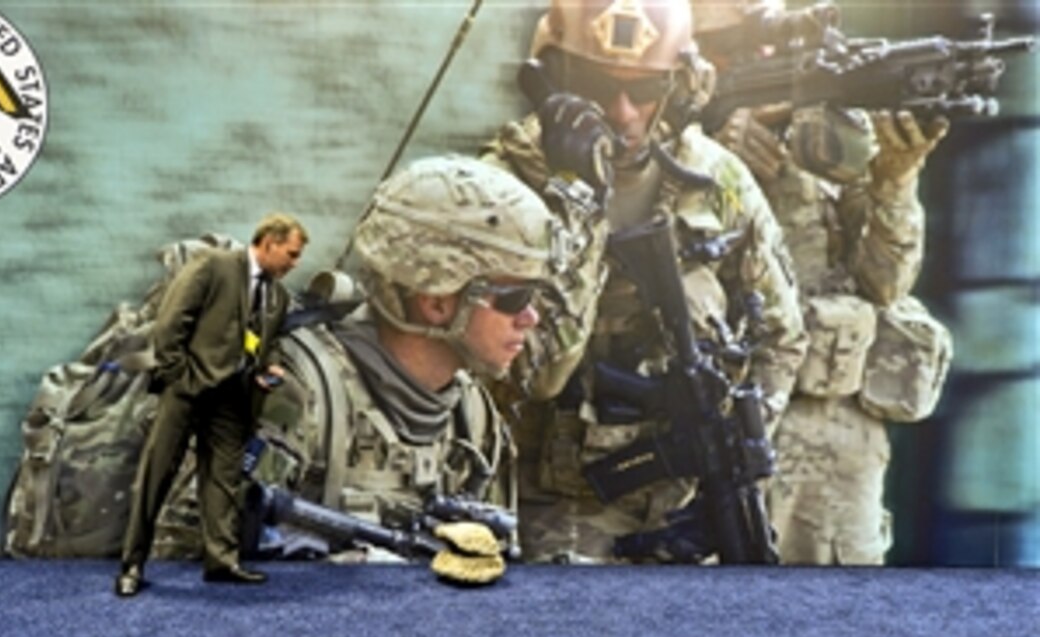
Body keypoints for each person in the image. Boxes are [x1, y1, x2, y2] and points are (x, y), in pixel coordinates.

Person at [482, 0, 808, 562]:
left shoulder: (716, 178)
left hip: (686, 504)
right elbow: (537, 374)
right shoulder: (504, 187)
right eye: (594, 85)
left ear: (682, 85)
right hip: (553, 509)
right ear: (549, 76)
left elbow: (782, 334)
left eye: (648, 88)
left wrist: (732, 453)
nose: (623, 112)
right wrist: (574, 192)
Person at [692, 0, 953, 564]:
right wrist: (709, 156)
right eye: (735, 43)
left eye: (773, 39)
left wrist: (896, 177)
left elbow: (885, 284)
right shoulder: (669, 136)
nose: (764, 54)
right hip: (729, 425)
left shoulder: (829, 126)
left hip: (838, 444)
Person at [241, 155, 577, 574]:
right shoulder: (300, 389)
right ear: (436, 301)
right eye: (514, 299)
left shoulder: (470, 420)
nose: (531, 318)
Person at [115, 212, 308, 596]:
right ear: (268, 242)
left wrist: (269, 367)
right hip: (187, 391)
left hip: (235, 399)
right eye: (291, 253)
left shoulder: (278, 296)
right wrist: (180, 377)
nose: (294, 263)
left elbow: (265, 345)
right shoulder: (214, 265)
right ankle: (132, 565)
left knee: (223, 481)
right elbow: (171, 322)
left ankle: (222, 562)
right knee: (157, 477)